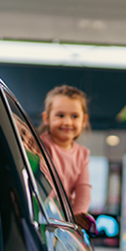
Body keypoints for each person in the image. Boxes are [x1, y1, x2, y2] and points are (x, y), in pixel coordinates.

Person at [38, 85, 93, 232]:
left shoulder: (82, 154)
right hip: (43, 215)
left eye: (74, 116)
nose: (67, 122)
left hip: (65, 220)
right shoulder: (39, 145)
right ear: (46, 118)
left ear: (83, 120)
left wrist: (77, 217)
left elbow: (83, 190)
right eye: (60, 115)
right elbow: (42, 184)